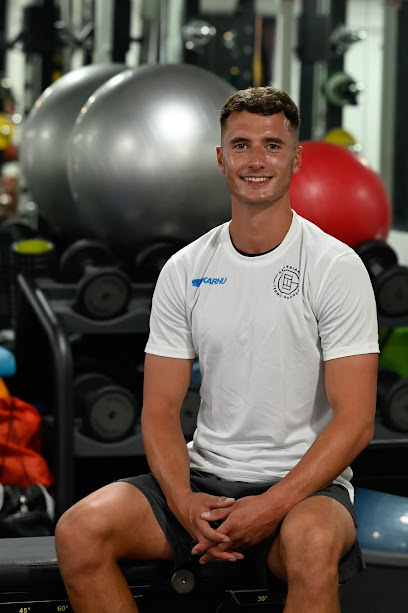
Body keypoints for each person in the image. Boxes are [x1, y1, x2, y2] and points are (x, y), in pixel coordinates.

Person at [55, 86, 379, 613]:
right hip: (204, 479)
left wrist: (269, 506)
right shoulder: (185, 269)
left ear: (296, 158)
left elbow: (356, 421)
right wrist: (183, 501)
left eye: (273, 145)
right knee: (79, 530)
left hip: (304, 490)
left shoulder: (335, 268)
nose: (256, 160)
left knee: (313, 545)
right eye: (241, 145)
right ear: (220, 157)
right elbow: (159, 411)